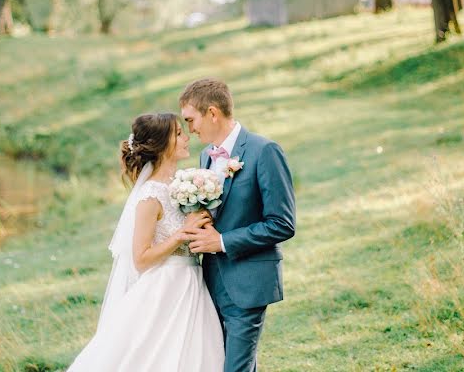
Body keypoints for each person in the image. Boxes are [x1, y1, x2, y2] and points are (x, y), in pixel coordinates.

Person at [67, 113, 225, 372]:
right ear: (161, 144)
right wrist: (181, 234)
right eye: (177, 134)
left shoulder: (180, 185)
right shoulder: (150, 195)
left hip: (193, 281)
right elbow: (140, 259)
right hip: (165, 287)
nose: (186, 137)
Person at [180, 78, 297, 372]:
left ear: (212, 113)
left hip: (248, 281)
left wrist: (221, 242)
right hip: (210, 282)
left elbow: (282, 224)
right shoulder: (206, 156)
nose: (189, 129)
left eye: (191, 120)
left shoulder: (264, 151)